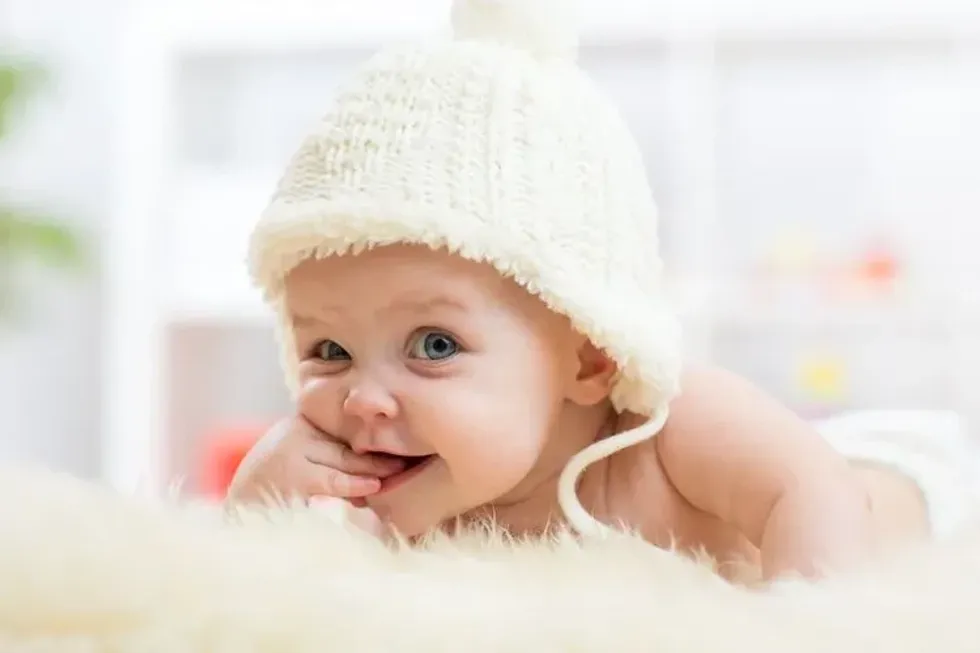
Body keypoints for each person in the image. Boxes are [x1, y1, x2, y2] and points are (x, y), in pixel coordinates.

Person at [226, 0, 973, 583]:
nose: (363, 402)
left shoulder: (670, 429)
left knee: (874, 481)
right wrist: (260, 505)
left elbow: (814, 493)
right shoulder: (404, 483)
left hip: (904, 471)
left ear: (589, 357)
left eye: (434, 345)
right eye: (329, 350)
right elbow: (269, 605)